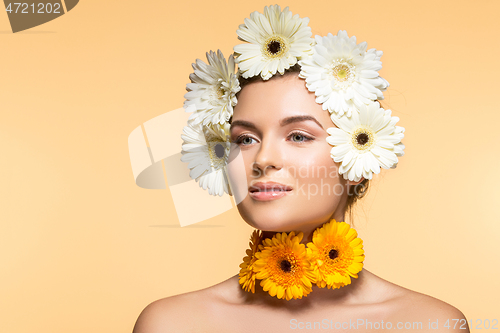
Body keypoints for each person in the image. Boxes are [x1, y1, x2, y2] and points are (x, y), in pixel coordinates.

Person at [133, 5, 469, 332]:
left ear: (360, 157)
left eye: (298, 135)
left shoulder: (432, 325)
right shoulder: (171, 324)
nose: (263, 159)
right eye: (246, 139)